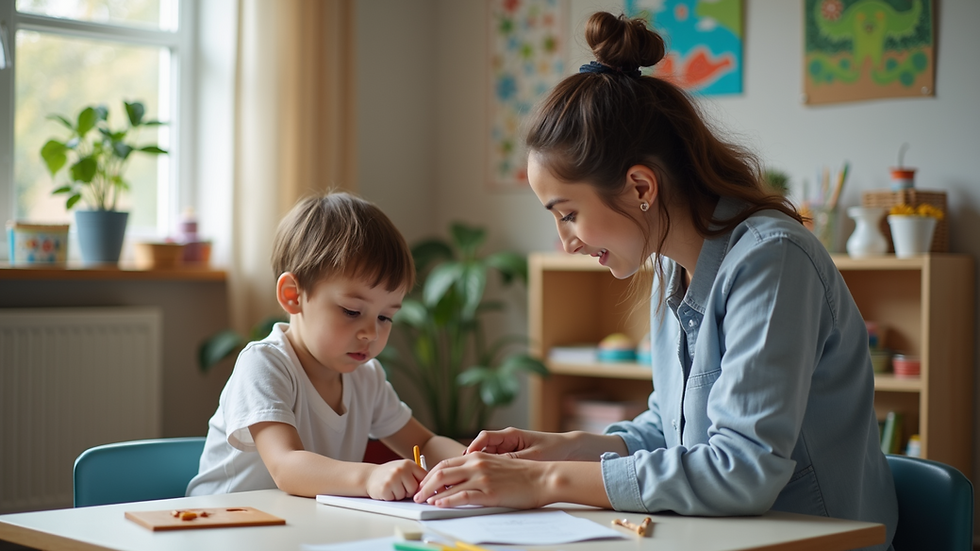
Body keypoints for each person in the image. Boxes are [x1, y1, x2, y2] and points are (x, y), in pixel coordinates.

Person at [414, 11, 897, 549]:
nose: (566, 240)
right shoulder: (672, 265)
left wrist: (541, 481)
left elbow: (740, 471)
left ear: (640, 185)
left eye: (568, 213)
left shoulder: (772, 260)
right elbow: (671, 433)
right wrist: (558, 448)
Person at [187, 191, 464, 499]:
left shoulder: (366, 377)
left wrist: (473, 462)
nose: (371, 333)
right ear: (293, 295)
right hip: (222, 527)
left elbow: (424, 444)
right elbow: (286, 466)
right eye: (352, 311)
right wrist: (370, 476)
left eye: (385, 317)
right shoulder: (265, 364)